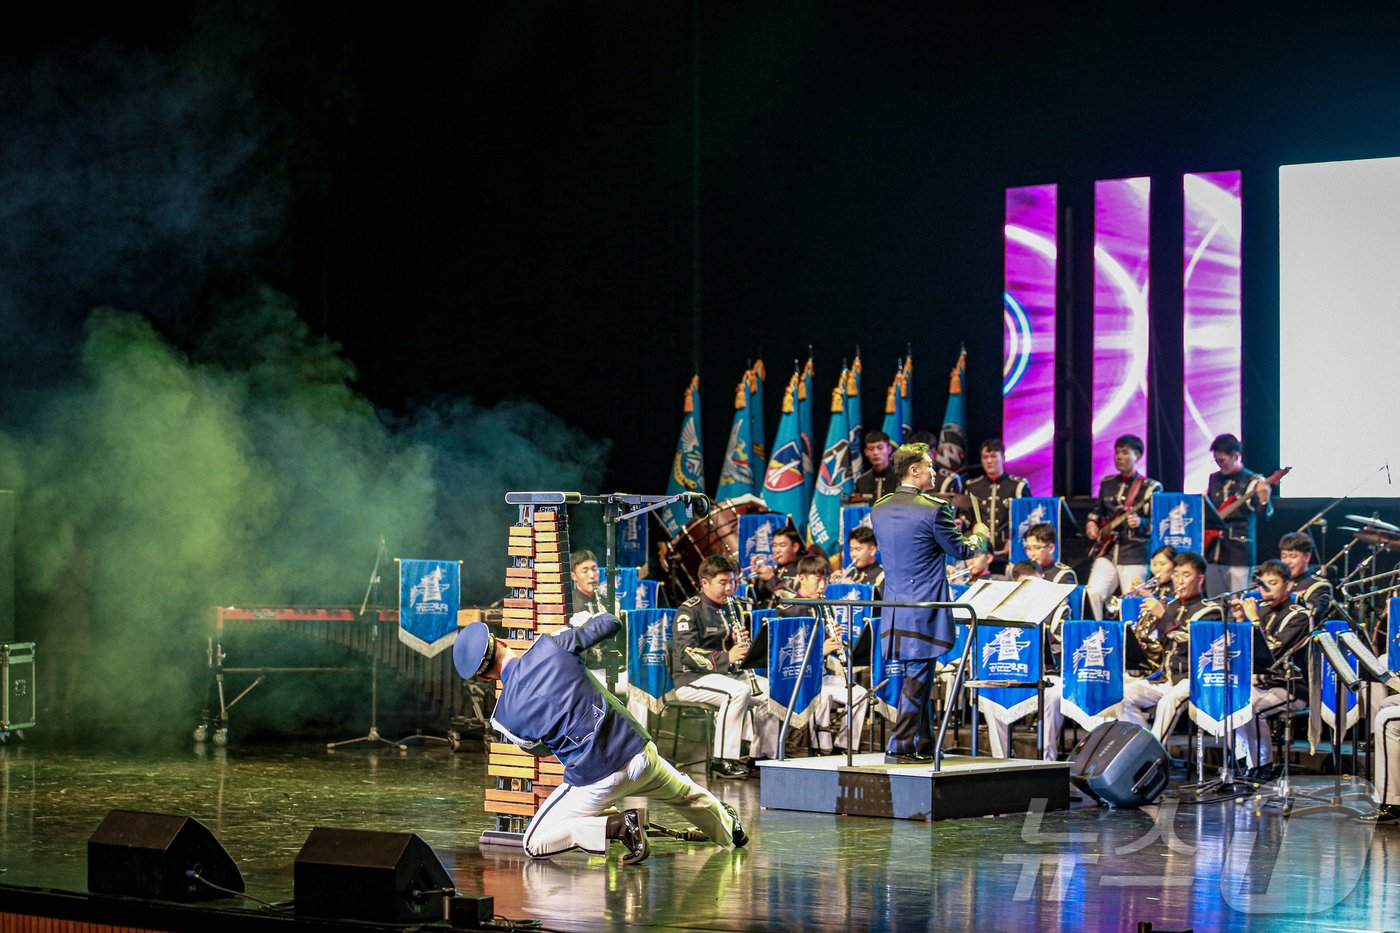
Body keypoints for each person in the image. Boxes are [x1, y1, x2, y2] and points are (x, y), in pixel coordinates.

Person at [453, 617, 746, 864]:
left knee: (534, 842)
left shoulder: (503, 718)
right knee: (685, 794)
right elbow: (610, 623)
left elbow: (540, 750)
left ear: (485, 678)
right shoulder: (551, 645)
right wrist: (583, 626)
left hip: (596, 779)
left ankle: (617, 825)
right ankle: (730, 828)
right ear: (502, 642)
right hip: (639, 752)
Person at [871, 441, 990, 762]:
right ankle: (899, 745)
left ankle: (924, 744)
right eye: (929, 466)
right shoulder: (934, 509)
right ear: (914, 470)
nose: (934, 471)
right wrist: (980, 534)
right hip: (924, 607)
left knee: (918, 675)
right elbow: (962, 550)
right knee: (918, 676)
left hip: (894, 607)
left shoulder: (879, 507)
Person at [670, 555, 780, 779]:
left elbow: (728, 648)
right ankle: (723, 760)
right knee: (738, 692)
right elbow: (685, 653)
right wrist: (727, 656)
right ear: (704, 582)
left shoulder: (733, 608)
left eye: (733, 582)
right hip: (692, 679)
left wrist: (735, 644)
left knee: (773, 692)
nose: (730, 588)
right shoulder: (689, 611)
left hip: (726, 676)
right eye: (723, 583)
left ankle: (762, 756)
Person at [1121, 552, 1224, 741]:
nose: (1179, 581)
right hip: (1166, 678)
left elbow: (1189, 640)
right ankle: (1144, 743)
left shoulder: (1210, 610)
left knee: (1168, 701)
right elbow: (1161, 644)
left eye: (1186, 575)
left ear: (1200, 579)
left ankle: (1153, 751)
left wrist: (1163, 616)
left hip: (1193, 679)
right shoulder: (1171, 605)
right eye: (1176, 574)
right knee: (1122, 695)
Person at [776, 555, 871, 754]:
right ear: (802, 578)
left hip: (822, 675)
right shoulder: (788, 609)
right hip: (797, 678)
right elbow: (784, 654)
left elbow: (829, 644)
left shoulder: (824, 605)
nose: (823, 586)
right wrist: (820, 650)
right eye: (818, 580)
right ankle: (821, 749)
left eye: (826, 580)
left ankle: (845, 746)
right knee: (823, 695)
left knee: (860, 694)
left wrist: (837, 640)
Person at [1230, 560, 1312, 779]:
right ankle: (1243, 760)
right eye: (1263, 585)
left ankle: (1262, 765)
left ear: (1288, 585)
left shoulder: (1299, 615)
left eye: (1273, 583)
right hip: (1262, 685)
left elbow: (1274, 651)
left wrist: (1254, 620)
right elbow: (1241, 650)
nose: (1266, 590)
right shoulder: (1261, 610)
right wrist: (1240, 619)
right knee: (1233, 700)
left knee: (1253, 709)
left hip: (1291, 687)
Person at [1084, 435, 1162, 620]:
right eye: (1117, 452)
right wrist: (1091, 523)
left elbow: (1159, 522)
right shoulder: (1107, 483)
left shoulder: (1150, 487)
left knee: (1132, 600)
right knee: (1093, 592)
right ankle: (1097, 631)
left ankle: (1134, 636)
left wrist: (1141, 523)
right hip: (1108, 550)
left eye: (1125, 452)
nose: (1119, 457)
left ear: (1138, 456)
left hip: (1135, 552)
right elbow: (1097, 512)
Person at [1205, 433, 1273, 597]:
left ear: (1236, 456)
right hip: (1213, 551)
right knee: (1214, 600)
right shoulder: (1214, 479)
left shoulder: (1253, 480)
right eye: (1216, 460)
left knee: (1238, 601)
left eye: (1222, 460)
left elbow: (1265, 516)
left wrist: (1264, 499)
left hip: (1239, 552)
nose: (1219, 464)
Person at [964, 438, 1030, 573]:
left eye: (993, 456)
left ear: (1003, 457)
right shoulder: (972, 486)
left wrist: (1015, 542)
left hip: (1009, 555)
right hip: (979, 556)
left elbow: (1028, 519)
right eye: (985, 457)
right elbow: (965, 520)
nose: (989, 461)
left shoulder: (1018, 486)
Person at [1278, 531, 1333, 616]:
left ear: (1307, 557)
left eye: (1293, 556)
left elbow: (1310, 615)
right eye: (1284, 556)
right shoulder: (1279, 584)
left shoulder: (1320, 586)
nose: (1287, 562)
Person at [751, 525, 804, 608]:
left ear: (795, 547)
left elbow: (792, 599)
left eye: (782, 545)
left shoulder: (802, 570)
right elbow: (756, 600)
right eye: (774, 545)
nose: (777, 550)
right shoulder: (775, 569)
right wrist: (754, 581)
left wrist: (771, 579)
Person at [854, 431, 899, 501]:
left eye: (880, 448)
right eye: (871, 449)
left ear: (889, 449)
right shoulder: (861, 481)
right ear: (866, 452)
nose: (875, 453)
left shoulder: (901, 478)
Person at [838, 525, 885, 592]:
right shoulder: (850, 574)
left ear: (872, 550)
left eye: (858, 549)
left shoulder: (883, 576)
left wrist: (854, 588)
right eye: (851, 550)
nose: (853, 554)